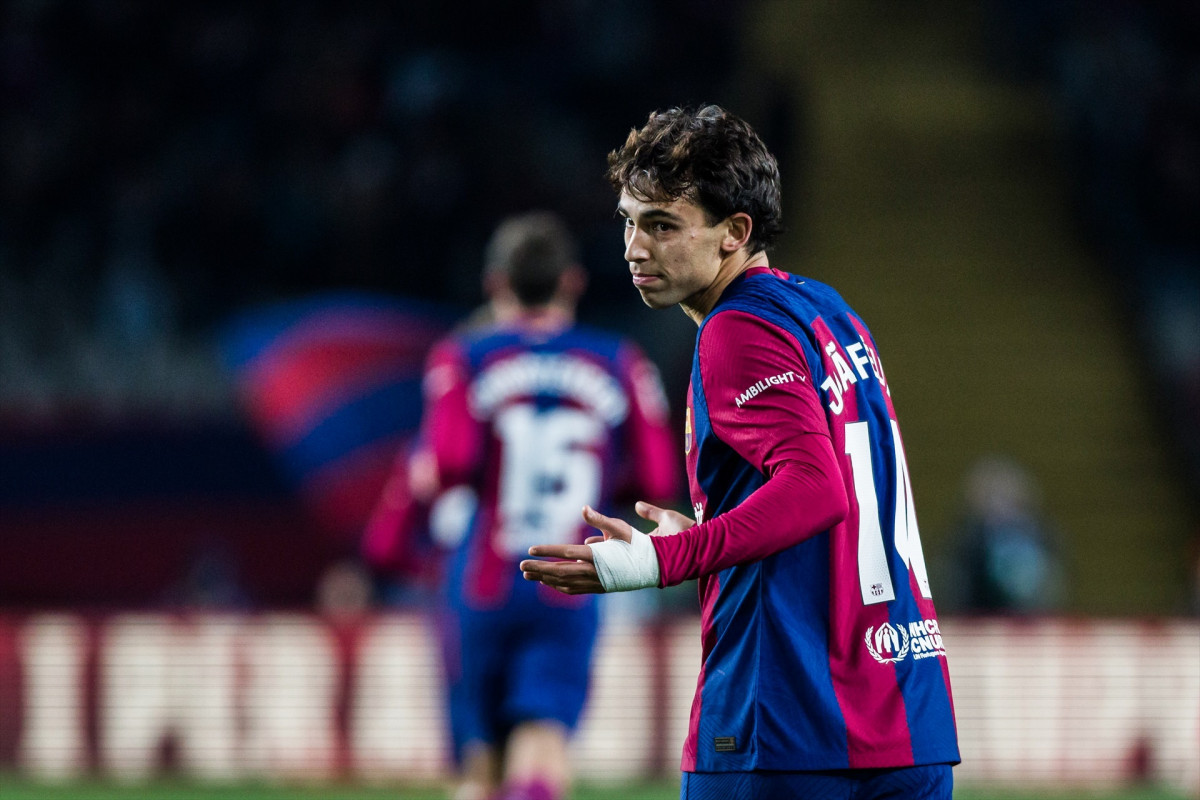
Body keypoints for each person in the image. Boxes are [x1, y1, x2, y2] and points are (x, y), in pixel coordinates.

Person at [520, 106, 961, 799]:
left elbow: (816, 489)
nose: (635, 247)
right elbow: (823, 499)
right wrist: (709, 531)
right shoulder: (828, 312)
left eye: (663, 225)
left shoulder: (736, 330)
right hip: (905, 715)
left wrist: (663, 557)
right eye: (630, 221)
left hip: (786, 721)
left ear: (735, 233)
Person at [406, 210, 680, 800]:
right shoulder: (620, 361)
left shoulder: (464, 356)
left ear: (494, 284)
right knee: (545, 739)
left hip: (481, 579)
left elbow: (449, 464)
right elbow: (658, 476)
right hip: (572, 577)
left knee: (479, 761)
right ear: (573, 282)